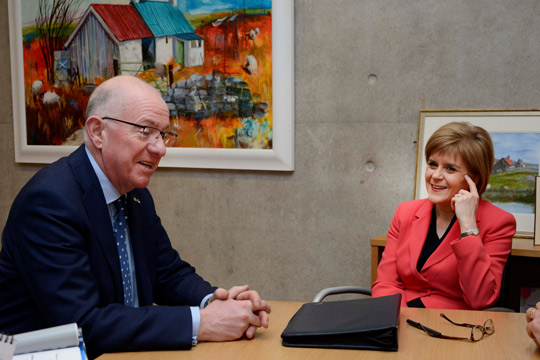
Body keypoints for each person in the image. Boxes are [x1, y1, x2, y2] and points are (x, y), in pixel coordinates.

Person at [0, 76, 271, 359]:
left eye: (163, 134)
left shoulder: (134, 193)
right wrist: (204, 323)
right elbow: (83, 326)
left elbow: (167, 273)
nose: (161, 149)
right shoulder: (48, 203)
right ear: (97, 132)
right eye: (145, 131)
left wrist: (217, 301)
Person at [372, 121, 516, 309]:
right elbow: (386, 283)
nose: (436, 176)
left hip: (452, 327)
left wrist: (468, 227)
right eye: (433, 164)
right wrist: (399, 323)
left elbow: (480, 299)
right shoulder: (405, 212)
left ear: (474, 178)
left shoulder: (499, 222)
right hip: (401, 318)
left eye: (450, 168)